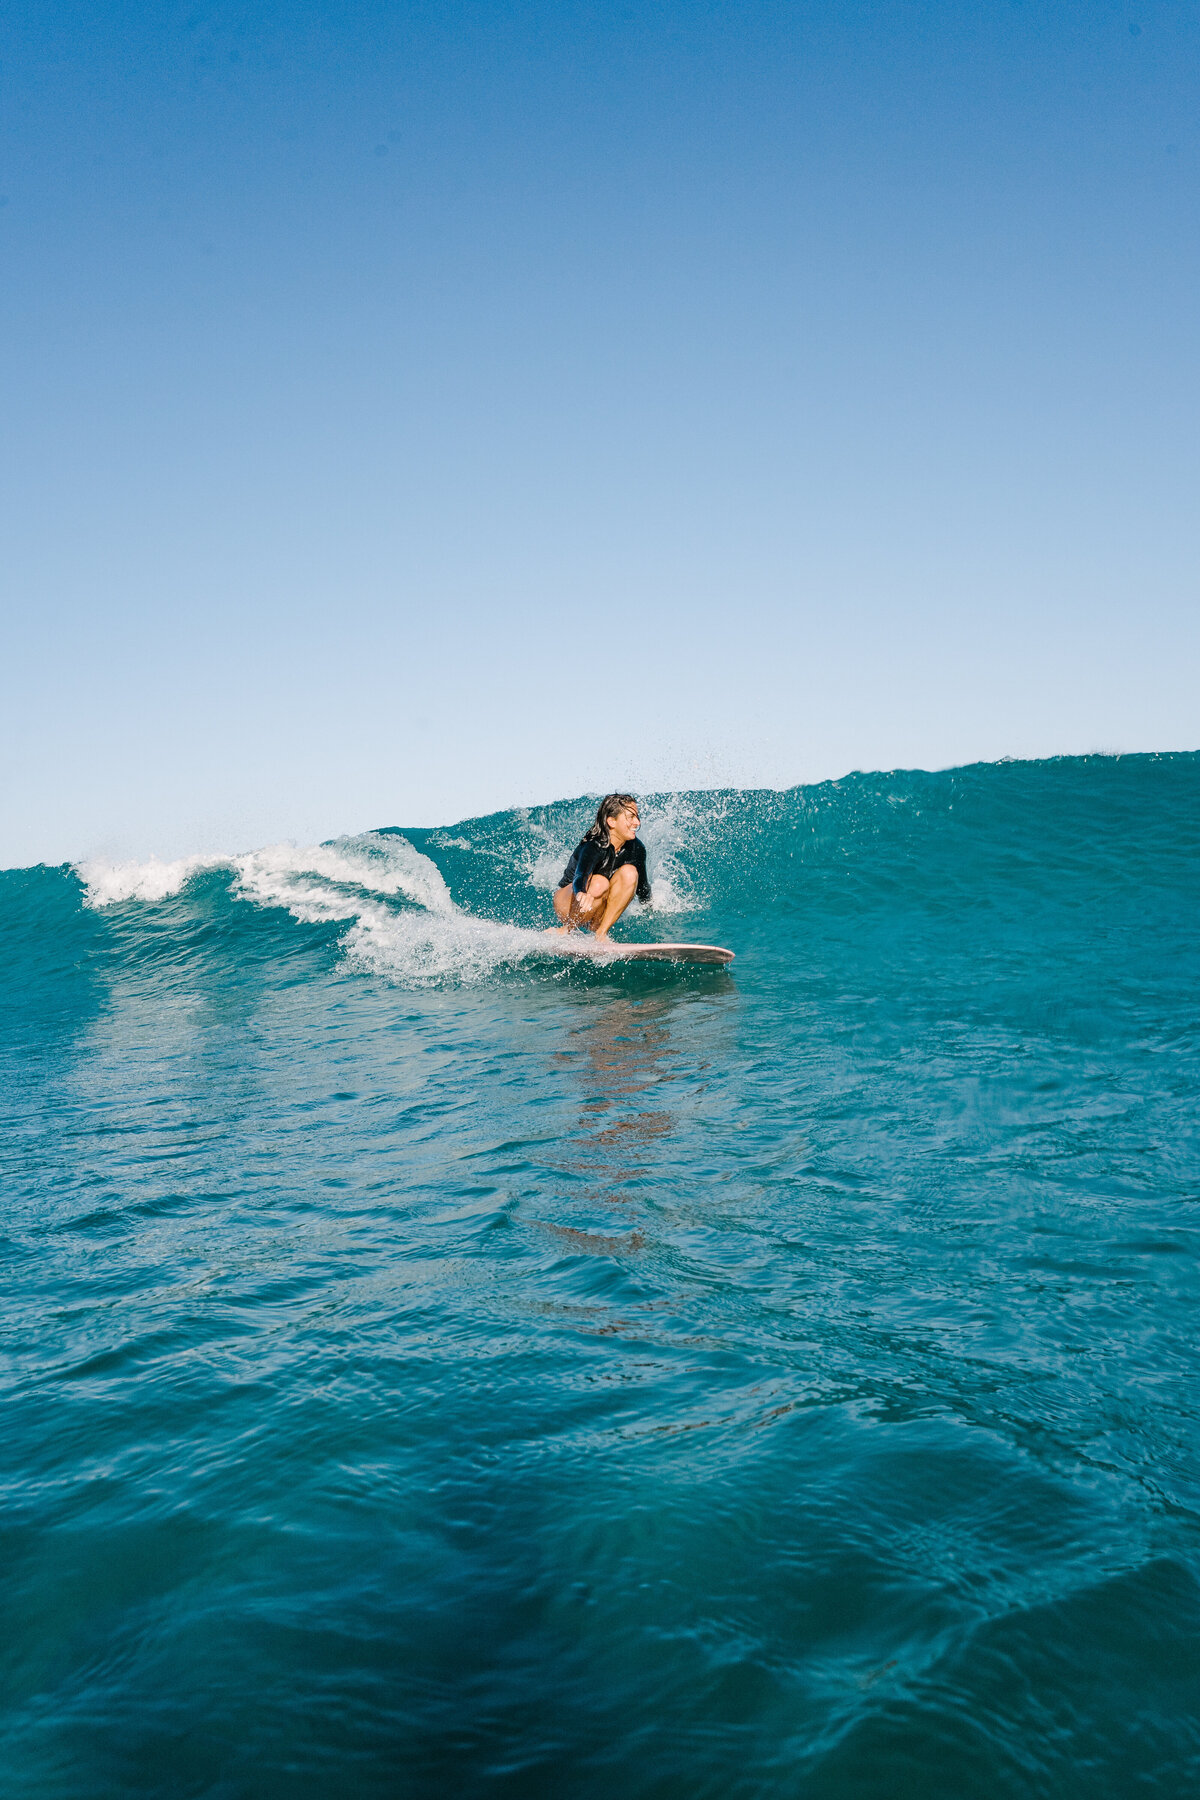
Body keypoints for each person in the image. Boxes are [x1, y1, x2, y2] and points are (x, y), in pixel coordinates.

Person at [551, 794, 651, 938]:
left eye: (637, 816)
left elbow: (642, 886)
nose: (637, 822)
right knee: (600, 882)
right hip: (570, 903)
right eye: (631, 817)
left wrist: (650, 909)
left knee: (630, 872)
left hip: (598, 907)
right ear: (611, 821)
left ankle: (601, 933)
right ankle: (566, 929)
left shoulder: (636, 849)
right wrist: (581, 892)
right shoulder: (595, 845)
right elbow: (581, 875)